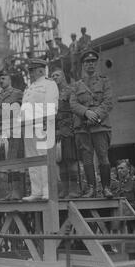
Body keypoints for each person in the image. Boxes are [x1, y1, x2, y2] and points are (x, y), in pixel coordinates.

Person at [70, 50, 114, 199]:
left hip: (100, 127)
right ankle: (91, 189)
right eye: (87, 62)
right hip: (83, 128)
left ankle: (106, 188)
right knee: (87, 159)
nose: (90, 64)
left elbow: (108, 102)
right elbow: (73, 104)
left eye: (93, 62)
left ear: (96, 63)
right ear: (83, 65)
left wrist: (95, 115)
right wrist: (86, 112)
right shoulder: (76, 85)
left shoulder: (104, 81)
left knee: (103, 157)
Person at [21, 58, 59, 202]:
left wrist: (46, 120)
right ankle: (36, 191)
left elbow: (51, 103)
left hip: (41, 123)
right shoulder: (29, 87)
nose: (30, 73)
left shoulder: (49, 84)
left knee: (44, 156)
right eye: (29, 70)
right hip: (28, 125)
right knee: (32, 157)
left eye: (32, 70)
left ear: (41, 70)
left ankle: (47, 190)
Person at [0, 68, 25, 201]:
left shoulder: (17, 93)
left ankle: (16, 192)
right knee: (1, 163)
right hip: (1, 133)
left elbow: (25, 111)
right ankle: (5, 193)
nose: (1, 81)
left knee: (14, 161)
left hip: (13, 132)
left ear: (10, 79)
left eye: (3, 78)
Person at [51, 68, 81, 199]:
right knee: (60, 161)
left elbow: (74, 110)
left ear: (63, 77)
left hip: (68, 131)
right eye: (52, 76)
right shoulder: (52, 95)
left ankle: (74, 190)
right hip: (56, 131)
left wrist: (73, 128)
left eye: (57, 75)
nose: (54, 78)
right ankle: (65, 189)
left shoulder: (70, 90)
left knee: (71, 160)